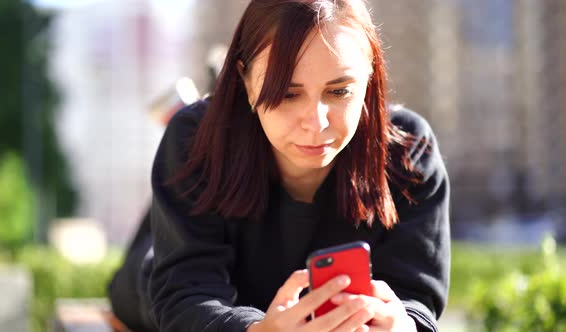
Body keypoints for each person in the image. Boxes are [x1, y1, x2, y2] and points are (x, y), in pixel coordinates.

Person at [109, 0, 451, 331]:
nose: (316, 124)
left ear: (370, 76)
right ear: (244, 78)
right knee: (149, 274)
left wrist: (402, 325)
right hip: (161, 283)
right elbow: (183, 294)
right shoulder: (193, 138)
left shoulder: (408, 150)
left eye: (340, 91)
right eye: (287, 93)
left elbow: (417, 299)